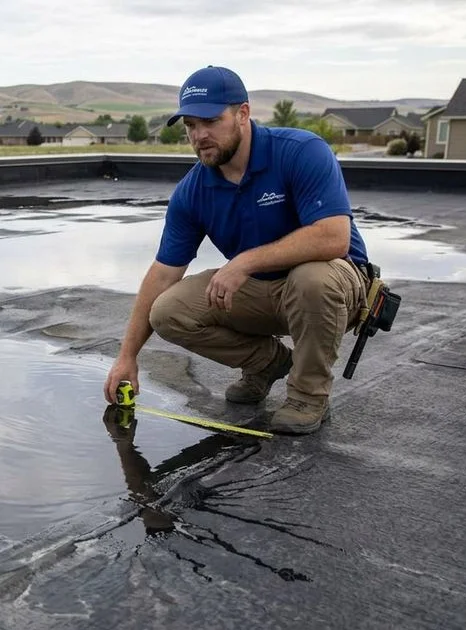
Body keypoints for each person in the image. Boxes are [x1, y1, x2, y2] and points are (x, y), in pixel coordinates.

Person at [102, 65, 371, 435]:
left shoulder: (301, 151)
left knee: (312, 278)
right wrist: (127, 357)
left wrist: (245, 262)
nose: (200, 135)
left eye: (210, 121)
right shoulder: (193, 190)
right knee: (166, 311)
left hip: (335, 285)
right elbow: (164, 272)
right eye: (191, 126)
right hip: (264, 291)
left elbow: (332, 238)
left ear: (242, 114)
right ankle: (268, 363)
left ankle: (308, 395)